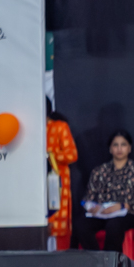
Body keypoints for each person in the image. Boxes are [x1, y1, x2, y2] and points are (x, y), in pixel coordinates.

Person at [74, 129, 134, 253]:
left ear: (129, 148)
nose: (119, 148)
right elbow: (87, 198)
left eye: (123, 144)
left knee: (114, 225)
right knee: (80, 224)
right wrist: (91, 207)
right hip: (102, 214)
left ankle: (110, 261)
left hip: (127, 214)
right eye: (115, 145)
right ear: (110, 149)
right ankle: (96, 259)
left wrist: (121, 206)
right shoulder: (99, 171)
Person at [46, 106, 78, 251]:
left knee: (58, 222)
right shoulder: (30, 128)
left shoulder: (59, 126)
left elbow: (72, 154)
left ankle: (61, 259)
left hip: (56, 180)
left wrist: (50, 155)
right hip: (34, 181)